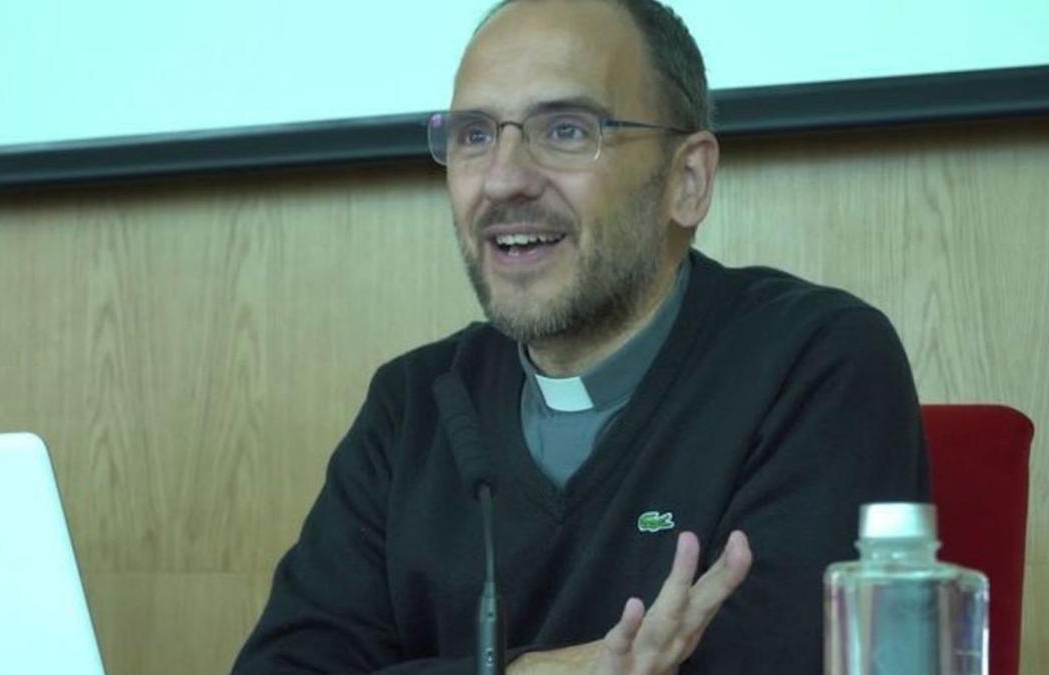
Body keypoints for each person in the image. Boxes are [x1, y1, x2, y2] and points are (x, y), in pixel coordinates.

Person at [233, 0, 929, 673]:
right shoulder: (415, 404)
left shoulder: (814, 364)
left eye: (566, 130)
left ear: (686, 181)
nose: (503, 180)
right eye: (475, 135)